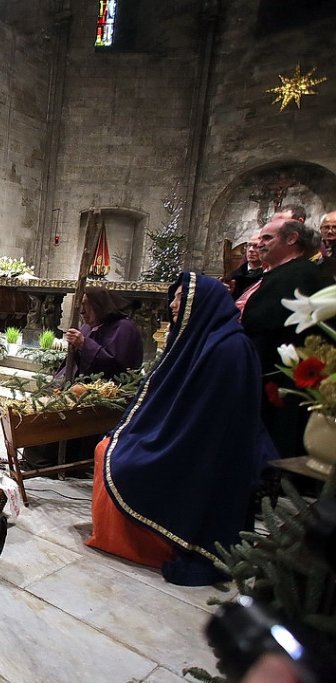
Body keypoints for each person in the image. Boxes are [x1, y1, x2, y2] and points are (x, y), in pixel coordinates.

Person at [87, 272, 276, 586]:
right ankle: (112, 537)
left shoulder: (229, 350)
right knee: (108, 446)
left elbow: (208, 421)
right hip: (185, 436)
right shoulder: (204, 340)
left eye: (180, 298)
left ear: (200, 303)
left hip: (202, 454)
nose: (173, 305)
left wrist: (154, 436)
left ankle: (148, 545)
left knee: (121, 461)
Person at [242, 218, 326, 457]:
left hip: (280, 374)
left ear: (291, 239)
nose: (259, 244)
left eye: (267, 238)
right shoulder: (281, 273)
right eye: (259, 239)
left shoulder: (299, 274)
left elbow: (265, 322)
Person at [60, 287, 144, 380]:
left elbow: (115, 366)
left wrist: (84, 344)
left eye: (86, 305)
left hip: (112, 388)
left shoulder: (124, 327)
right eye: (81, 305)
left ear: (99, 305)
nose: (82, 311)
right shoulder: (86, 327)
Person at [228, 234, 264, 300]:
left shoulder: (269, 276)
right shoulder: (233, 276)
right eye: (249, 245)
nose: (250, 250)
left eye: (256, 246)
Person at [318, 210, 336, 279]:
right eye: (327, 227)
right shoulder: (314, 248)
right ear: (321, 228)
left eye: (335, 227)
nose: (330, 231)